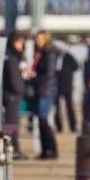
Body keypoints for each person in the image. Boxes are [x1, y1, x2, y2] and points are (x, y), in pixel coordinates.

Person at [30, 30, 59, 159]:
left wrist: (33, 78)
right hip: (41, 89)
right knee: (41, 120)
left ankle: (51, 149)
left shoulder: (49, 53)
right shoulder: (41, 53)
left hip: (46, 90)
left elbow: (49, 73)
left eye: (38, 38)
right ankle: (46, 149)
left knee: (43, 119)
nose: (35, 40)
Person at [2, 32, 29, 159]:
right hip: (12, 94)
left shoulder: (10, 56)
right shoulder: (12, 57)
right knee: (12, 123)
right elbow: (14, 78)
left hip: (10, 93)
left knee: (13, 123)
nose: (21, 45)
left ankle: (14, 148)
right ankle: (12, 149)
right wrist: (21, 91)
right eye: (19, 42)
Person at [55, 46, 79, 133]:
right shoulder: (55, 56)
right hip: (56, 85)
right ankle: (59, 127)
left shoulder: (69, 57)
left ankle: (73, 126)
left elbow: (76, 66)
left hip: (67, 85)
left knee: (69, 106)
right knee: (56, 108)